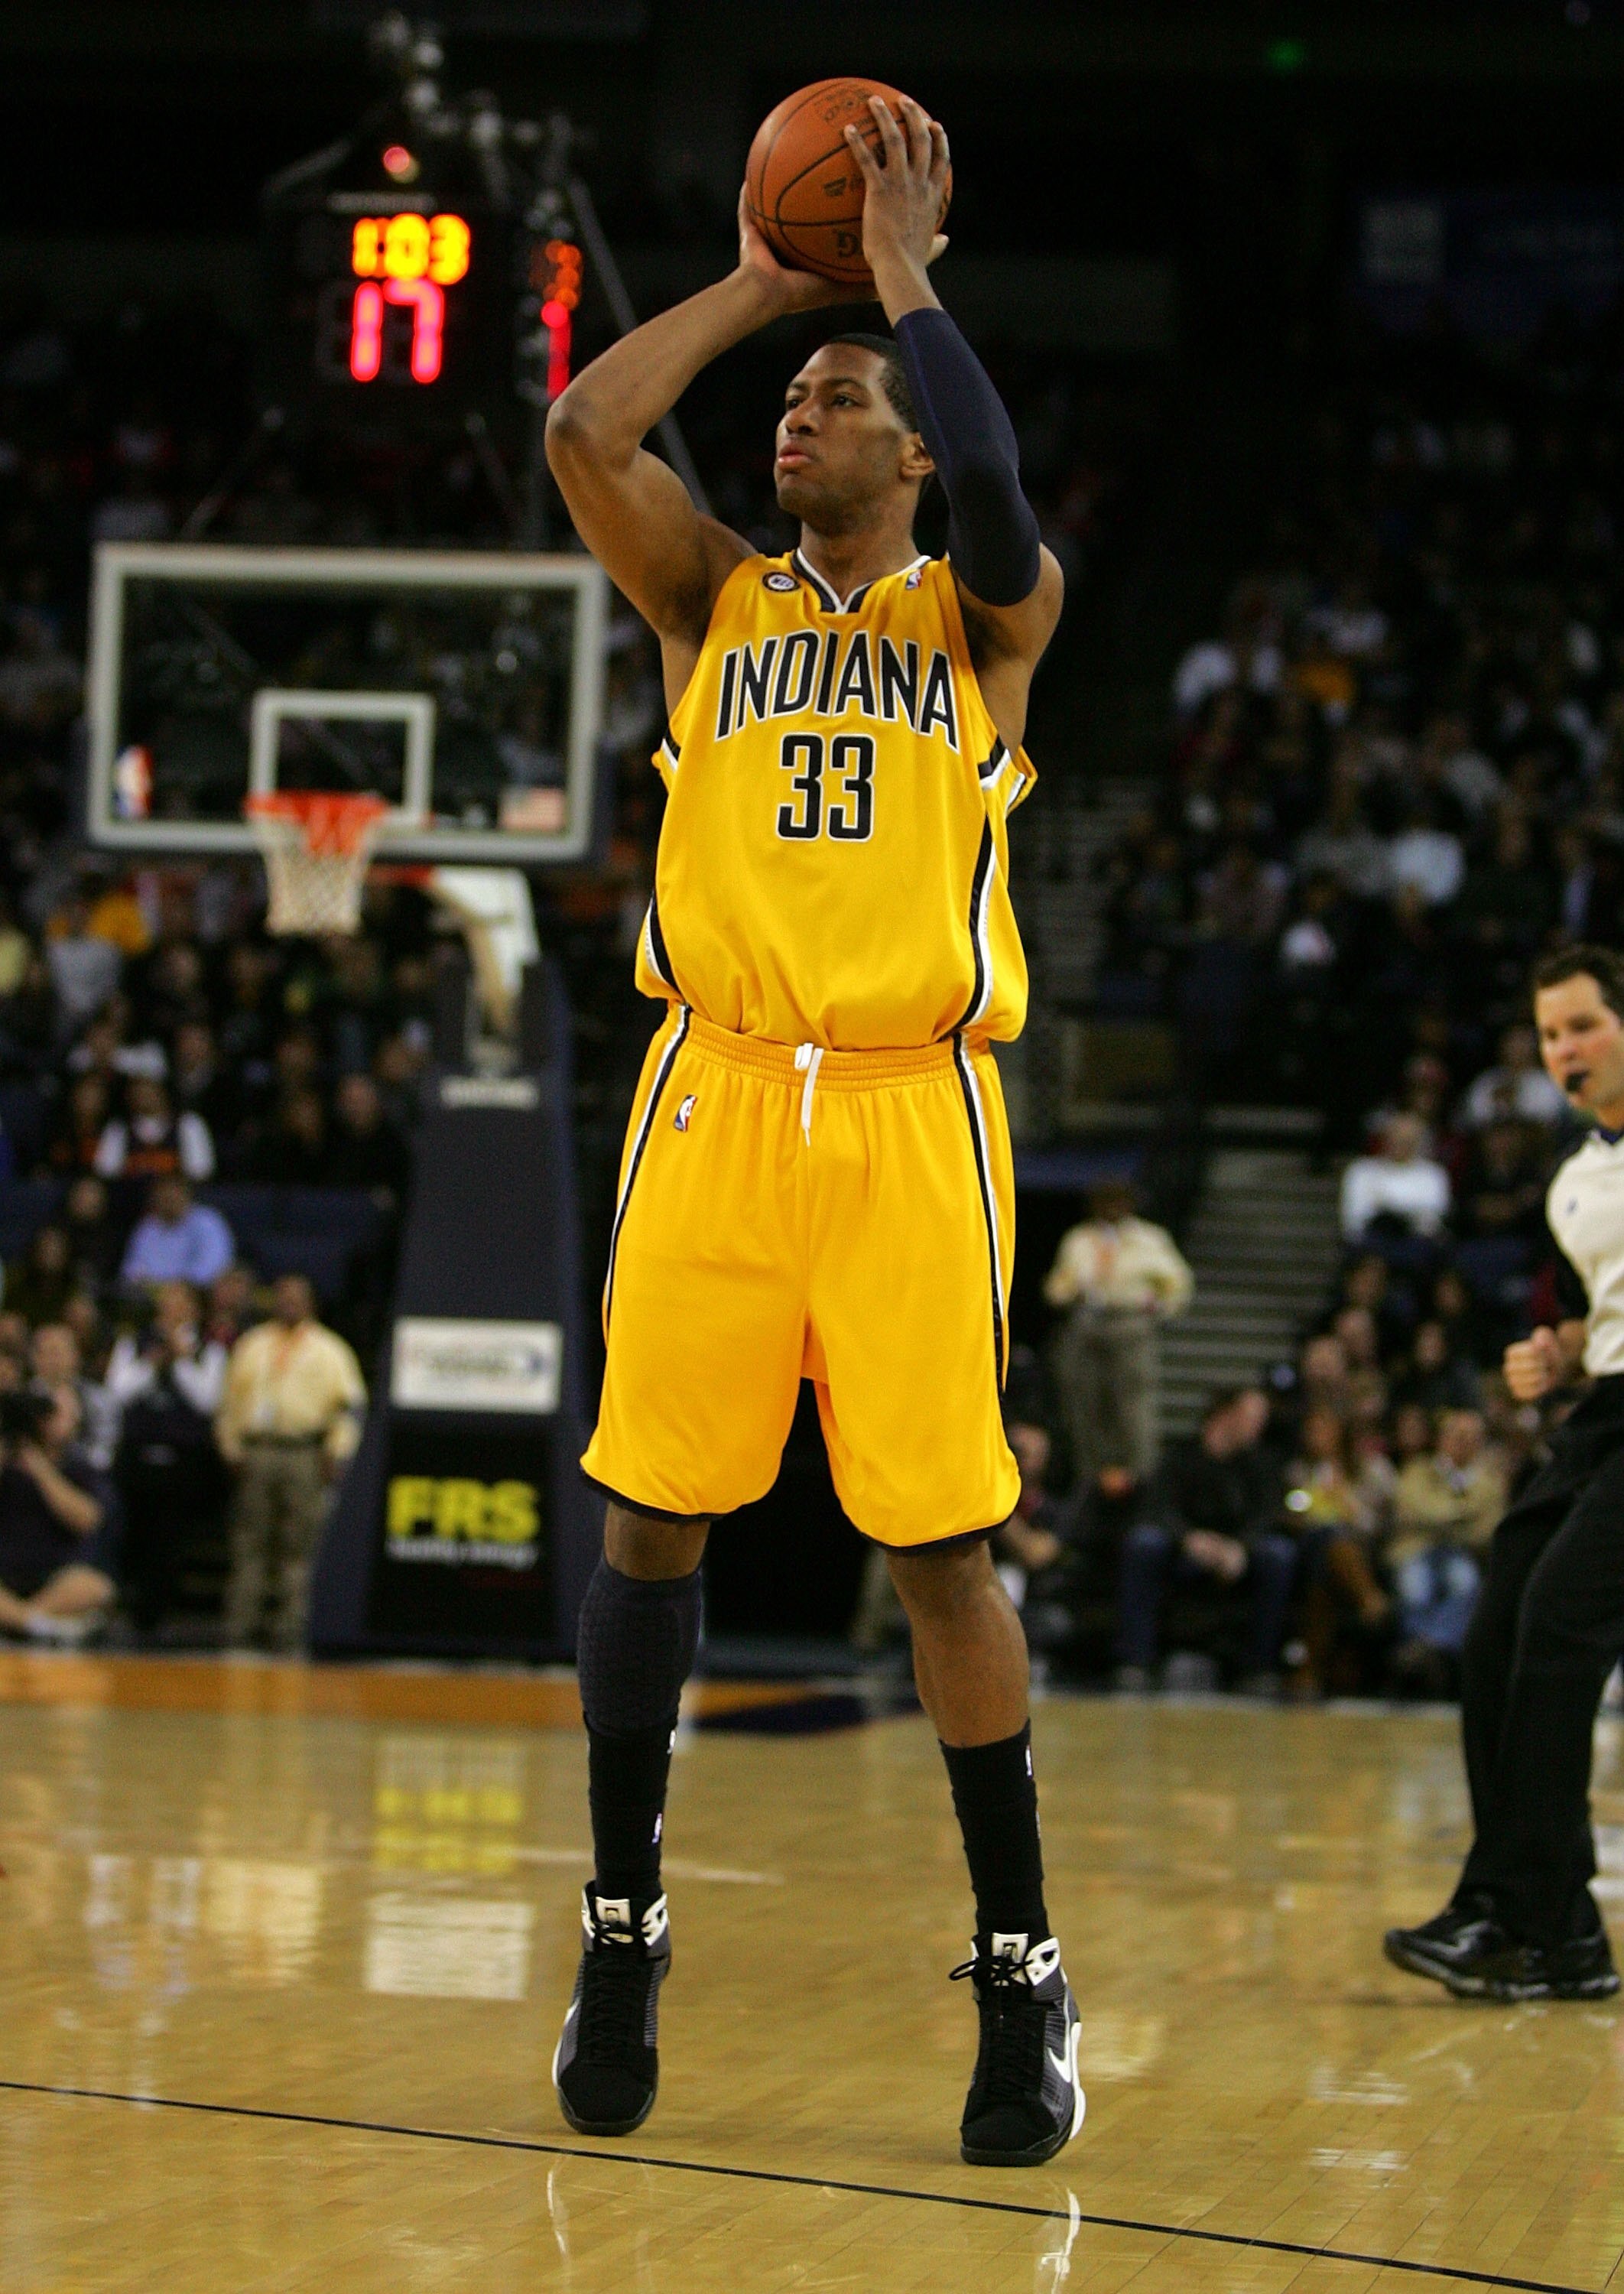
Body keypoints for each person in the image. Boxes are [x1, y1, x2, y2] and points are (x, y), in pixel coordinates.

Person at [544, 96, 1082, 2165]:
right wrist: (770, 286)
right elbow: (590, 435)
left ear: (916, 451)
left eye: (842, 395)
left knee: (940, 1544)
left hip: (904, 1113)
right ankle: (619, 1924)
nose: (801, 411)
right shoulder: (710, 604)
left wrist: (902, 282)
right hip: (710, 1096)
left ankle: (1019, 1975)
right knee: (652, 1521)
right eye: (792, 395)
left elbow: (1012, 487)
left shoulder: (986, 624)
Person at [1385, 945, 1624, 2003]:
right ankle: (1561, 1931)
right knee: (1496, 1639)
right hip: (1604, 1418)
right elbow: (1590, 1319)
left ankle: (1510, 1914)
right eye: (1549, 1034)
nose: (1563, 1051)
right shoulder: (1576, 1178)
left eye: (1582, 1025)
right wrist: (1556, 1354)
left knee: (1561, 1629)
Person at [214, 1273, 364, 1650]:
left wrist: (337, 1452)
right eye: (282, 1297)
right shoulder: (253, 1344)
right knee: (250, 1544)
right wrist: (231, 1449)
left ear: (311, 1303)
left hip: (304, 1454)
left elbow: (350, 1409)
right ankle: (240, 1631)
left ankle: (289, 1633)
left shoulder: (330, 1350)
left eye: (297, 1298)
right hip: (258, 1451)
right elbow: (229, 1404)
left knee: (299, 1547)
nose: (288, 1304)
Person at [1115, 1387, 1296, 1695]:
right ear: (1226, 1415)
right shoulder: (1179, 1456)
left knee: (1278, 1554)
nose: (1260, 1425)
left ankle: (1261, 1667)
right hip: (1183, 1549)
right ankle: (1136, 1661)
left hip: (1236, 1555)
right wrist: (1188, 1538)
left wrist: (1240, 1548)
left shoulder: (1259, 1464)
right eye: (1253, 1417)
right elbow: (1157, 1507)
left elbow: (1268, 1515)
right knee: (1144, 1544)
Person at [1043, 1179, 1193, 1481]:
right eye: (1104, 1200)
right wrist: (1070, 1292)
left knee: (1133, 1407)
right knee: (1084, 1404)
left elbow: (1178, 1284)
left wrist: (1159, 1308)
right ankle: (1090, 1477)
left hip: (1129, 1325)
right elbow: (1056, 1287)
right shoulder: (1081, 1239)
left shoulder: (1150, 1239)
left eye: (1118, 1200)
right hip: (1087, 1323)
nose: (1111, 1207)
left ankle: (1140, 1478)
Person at [0, 1384, 117, 1644]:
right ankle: (41, 1626)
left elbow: (87, 1520)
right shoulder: (7, 1462)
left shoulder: (80, 1467)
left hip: (55, 1577)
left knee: (95, 1587)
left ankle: (22, 1622)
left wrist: (39, 1465)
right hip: (6, 1575)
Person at [1340, 1112, 1451, 1246]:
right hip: (1371, 1242)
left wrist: (1386, 1205)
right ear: (1385, 1139)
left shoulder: (1433, 1175)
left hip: (1416, 1244)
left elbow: (1434, 1217)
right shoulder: (1361, 1170)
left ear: (1419, 1142)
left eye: (1407, 1140)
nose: (1400, 1145)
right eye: (1395, 1138)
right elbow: (1355, 1217)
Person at [119, 1175, 234, 1291]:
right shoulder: (147, 1227)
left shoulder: (207, 1221)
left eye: (173, 1193)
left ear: (187, 1194)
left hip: (198, 1293)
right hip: (152, 1294)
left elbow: (214, 1266)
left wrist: (179, 1287)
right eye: (163, 1194)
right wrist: (156, 1287)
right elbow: (132, 1269)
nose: (169, 1198)